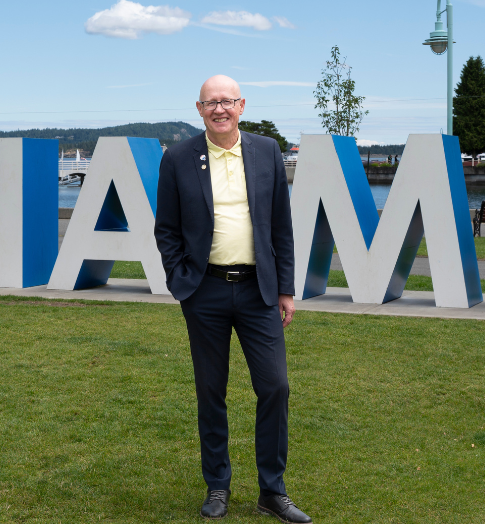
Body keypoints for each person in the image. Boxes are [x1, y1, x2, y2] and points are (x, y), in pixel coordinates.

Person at [154, 75, 311, 523]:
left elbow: (281, 226)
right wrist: (179, 278)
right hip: (204, 291)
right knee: (211, 389)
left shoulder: (266, 152)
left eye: (227, 101)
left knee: (275, 386)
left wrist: (285, 289)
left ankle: (272, 491)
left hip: (259, 291)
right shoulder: (179, 158)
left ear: (241, 105)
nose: (219, 109)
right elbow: (166, 228)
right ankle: (218, 485)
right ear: (199, 109)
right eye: (210, 103)